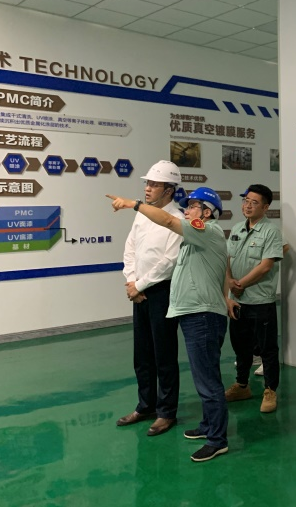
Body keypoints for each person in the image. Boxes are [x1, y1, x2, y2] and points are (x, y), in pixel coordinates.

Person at [107, 187, 232, 463]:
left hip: (203, 315)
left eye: (193, 206)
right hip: (193, 314)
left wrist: (133, 204)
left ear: (207, 213)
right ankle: (208, 425)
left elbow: (166, 220)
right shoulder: (195, 240)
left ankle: (217, 440)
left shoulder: (207, 230)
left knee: (208, 381)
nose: (187, 210)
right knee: (202, 376)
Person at [116, 161, 183, 437]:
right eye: (147, 183)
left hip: (161, 292)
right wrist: (132, 281)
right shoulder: (142, 214)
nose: (147, 188)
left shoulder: (177, 219)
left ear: (169, 190)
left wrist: (140, 285)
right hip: (139, 291)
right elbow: (130, 248)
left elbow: (170, 261)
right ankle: (146, 406)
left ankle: (166, 412)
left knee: (164, 354)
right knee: (142, 354)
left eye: (154, 184)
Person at [224, 184, 284, 413]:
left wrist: (240, 284)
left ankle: (270, 390)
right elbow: (227, 259)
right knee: (241, 347)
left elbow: (266, 266)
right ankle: (242, 385)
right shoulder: (237, 228)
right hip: (238, 301)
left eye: (254, 202)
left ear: (266, 207)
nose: (248, 206)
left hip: (260, 301)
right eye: (245, 201)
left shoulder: (271, 232)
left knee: (267, 349)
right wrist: (230, 283)